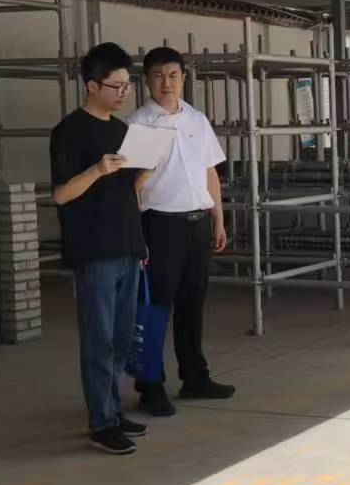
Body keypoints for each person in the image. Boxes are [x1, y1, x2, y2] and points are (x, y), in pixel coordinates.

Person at [51, 42, 151, 456]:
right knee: (99, 339)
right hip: (94, 250)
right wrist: (96, 169)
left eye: (128, 86)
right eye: (116, 86)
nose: (123, 93)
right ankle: (101, 422)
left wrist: (147, 167)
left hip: (127, 244)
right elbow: (61, 195)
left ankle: (112, 409)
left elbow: (129, 191)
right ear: (92, 85)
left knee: (122, 337)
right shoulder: (69, 131)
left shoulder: (122, 130)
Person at [127, 47, 236, 415]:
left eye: (173, 75)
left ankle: (195, 376)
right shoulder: (141, 124)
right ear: (146, 81)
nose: (167, 83)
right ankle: (150, 386)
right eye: (158, 76)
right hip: (160, 225)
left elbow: (209, 172)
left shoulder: (196, 119)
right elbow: (132, 186)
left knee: (192, 303)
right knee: (155, 306)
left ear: (184, 79)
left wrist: (218, 218)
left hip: (197, 221)